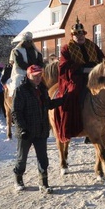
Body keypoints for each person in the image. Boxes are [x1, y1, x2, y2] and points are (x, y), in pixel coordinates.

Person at [12, 64, 65, 193]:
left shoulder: (42, 89)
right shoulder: (21, 90)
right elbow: (16, 112)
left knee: (43, 158)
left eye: (39, 76)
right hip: (26, 132)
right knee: (21, 159)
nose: (38, 78)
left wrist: (63, 100)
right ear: (28, 76)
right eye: (35, 76)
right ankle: (18, 179)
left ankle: (44, 183)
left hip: (41, 130)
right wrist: (22, 128)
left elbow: (48, 104)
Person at [53, 18, 105, 142]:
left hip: (94, 76)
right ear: (72, 36)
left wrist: (99, 68)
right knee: (73, 93)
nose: (80, 36)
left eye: (81, 34)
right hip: (76, 78)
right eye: (76, 34)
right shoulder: (66, 48)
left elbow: (102, 59)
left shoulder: (92, 45)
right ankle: (70, 125)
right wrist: (82, 69)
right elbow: (64, 66)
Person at [7, 31, 44, 97]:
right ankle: (15, 98)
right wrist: (30, 69)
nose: (28, 43)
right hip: (21, 72)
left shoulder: (36, 51)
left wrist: (37, 68)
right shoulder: (17, 50)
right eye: (27, 41)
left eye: (30, 41)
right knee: (17, 83)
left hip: (35, 72)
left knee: (43, 85)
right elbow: (19, 63)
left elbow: (40, 62)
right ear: (23, 41)